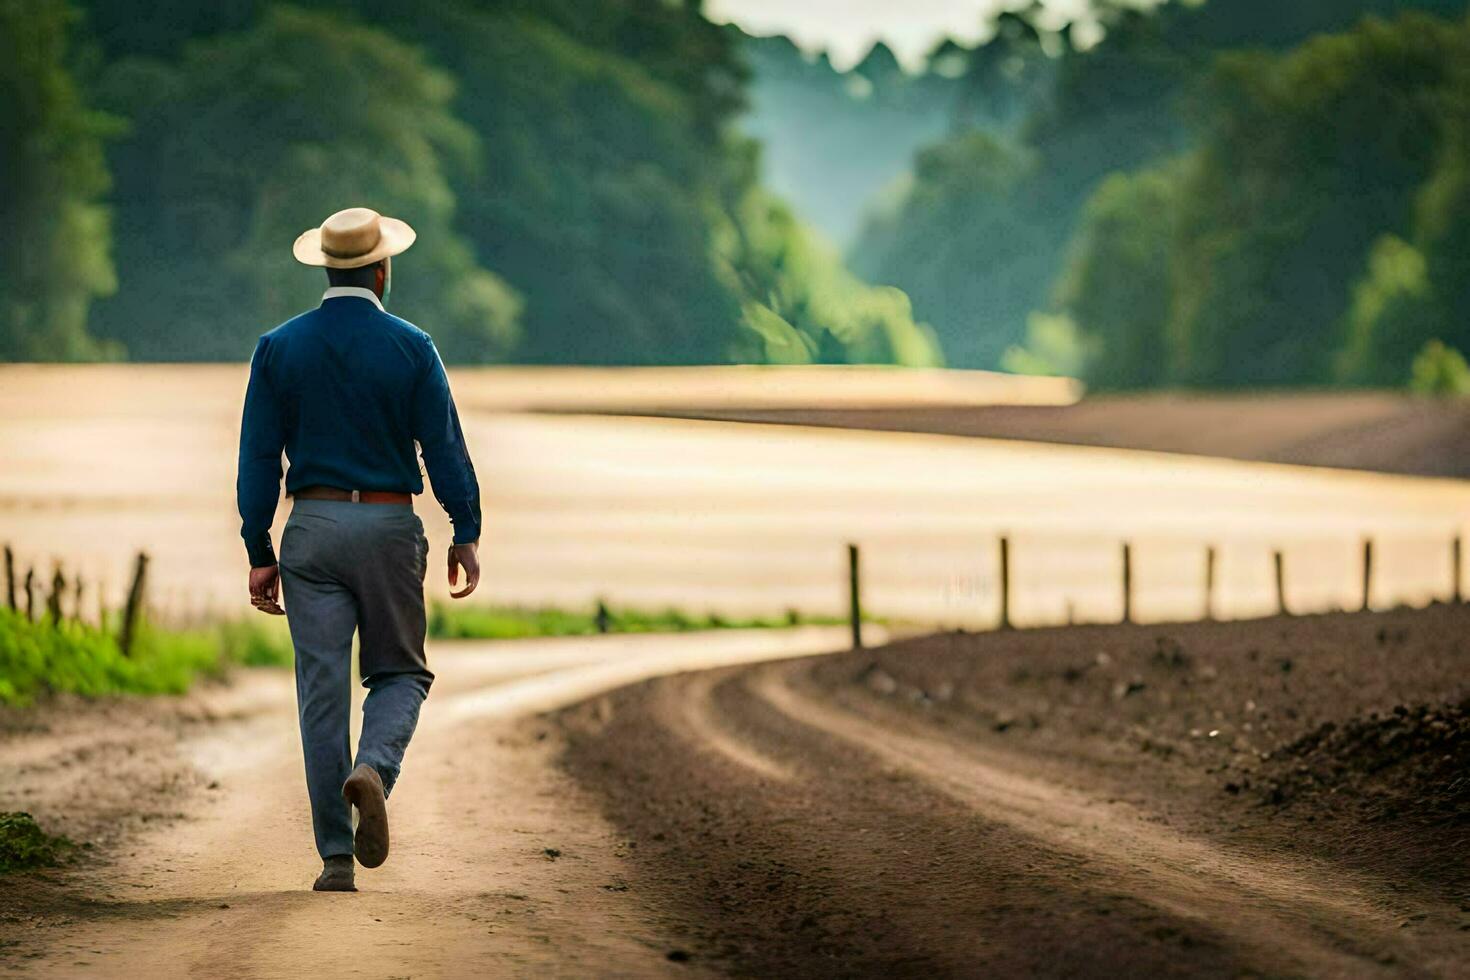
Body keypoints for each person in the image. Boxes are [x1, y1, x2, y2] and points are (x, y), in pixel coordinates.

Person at [236, 207, 482, 892]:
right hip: (387, 525)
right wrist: (466, 528)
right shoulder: (412, 346)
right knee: (400, 673)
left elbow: (258, 455)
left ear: (325, 266)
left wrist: (259, 545)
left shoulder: (279, 347)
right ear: (382, 270)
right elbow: (444, 448)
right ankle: (373, 769)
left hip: (309, 530)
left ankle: (336, 859)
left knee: (321, 695)